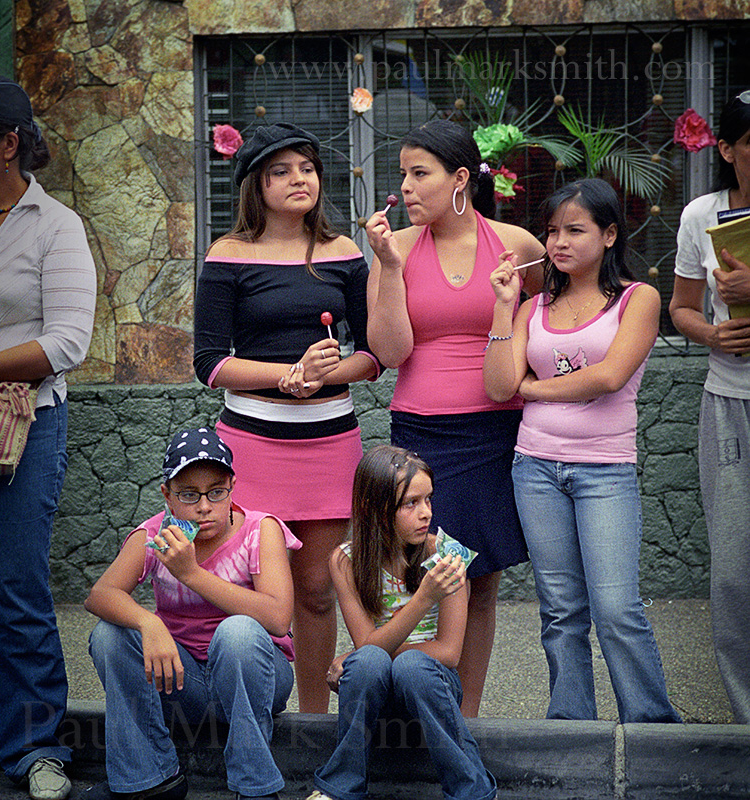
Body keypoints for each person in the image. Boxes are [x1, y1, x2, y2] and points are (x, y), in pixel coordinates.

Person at [193, 123, 380, 713]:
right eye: (281, 171)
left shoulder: (344, 252)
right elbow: (209, 363)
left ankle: (314, 724)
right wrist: (286, 376)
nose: (300, 179)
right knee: (254, 587)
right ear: (256, 184)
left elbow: (374, 356)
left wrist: (326, 373)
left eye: (307, 168)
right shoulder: (228, 254)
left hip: (330, 444)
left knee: (318, 591)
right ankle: (252, 714)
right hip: (252, 446)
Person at [484, 177, 681, 723]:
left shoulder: (638, 299)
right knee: (560, 611)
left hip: (605, 471)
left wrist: (536, 389)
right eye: (552, 231)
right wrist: (504, 307)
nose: (558, 243)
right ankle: (570, 726)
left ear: (609, 234)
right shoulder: (534, 307)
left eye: (575, 230)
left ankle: (651, 728)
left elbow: (610, 377)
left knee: (616, 609)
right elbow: (499, 386)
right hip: (535, 468)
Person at [365, 119, 545, 716]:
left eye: (420, 174)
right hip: (421, 435)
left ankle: (466, 719)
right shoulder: (394, 248)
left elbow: (553, 312)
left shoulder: (516, 244)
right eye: (403, 175)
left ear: (460, 178)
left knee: (480, 579)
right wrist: (390, 267)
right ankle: (419, 708)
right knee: (422, 572)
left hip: (495, 430)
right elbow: (390, 352)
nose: (406, 187)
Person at [84, 428, 301, 800]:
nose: (204, 506)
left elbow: (279, 618)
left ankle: (255, 787)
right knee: (109, 634)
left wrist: (190, 574)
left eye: (216, 492)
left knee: (238, 632)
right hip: (182, 682)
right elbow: (100, 594)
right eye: (189, 494)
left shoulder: (259, 529)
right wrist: (149, 622)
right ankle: (150, 780)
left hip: (254, 677)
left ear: (232, 487)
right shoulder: (156, 535)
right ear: (167, 495)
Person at [0, 76, 96, 799]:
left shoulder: (55, 225)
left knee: (16, 586)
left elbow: (67, 342)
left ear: (8, 143)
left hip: (22, 427)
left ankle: (34, 748)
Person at [306, 445, 498, 800]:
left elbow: (449, 653)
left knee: (407, 665)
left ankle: (472, 791)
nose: (426, 513)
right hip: (375, 690)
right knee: (368, 663)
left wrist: (360, 654)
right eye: (411, 503)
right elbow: (368, 647)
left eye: (428, 499)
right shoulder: (346, 561)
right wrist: (422, 600)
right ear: (375, 508)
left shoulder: (445, 555)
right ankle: (340, 789)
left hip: (431, 688)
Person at [668, 91, 750, 724]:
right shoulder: (702, 215)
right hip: (729, 401)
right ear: (726, 149)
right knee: (733, 570)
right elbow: (681, 308)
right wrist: (713, 335)